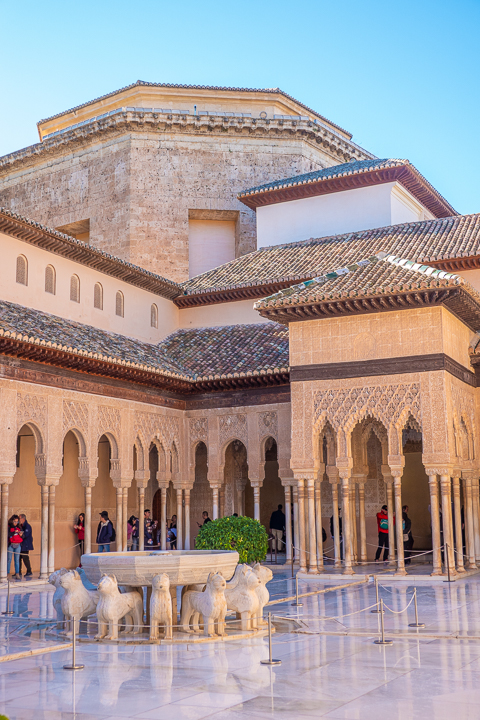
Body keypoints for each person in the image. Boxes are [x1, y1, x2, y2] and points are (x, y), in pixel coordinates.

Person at [7, 515, 23, 579]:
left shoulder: (19, 527)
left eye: (17, 521)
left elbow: (23, 536)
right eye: (14, 521)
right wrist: (14, 532)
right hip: (11, 545)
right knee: (9, 560)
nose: (16, 523)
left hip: (18, 545)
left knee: (17, 560)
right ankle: (7, 573)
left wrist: (21, 535)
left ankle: (17, 573)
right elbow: (7, 534)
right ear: (12, 521)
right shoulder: (9, 527)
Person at [19, 513, 33, 578]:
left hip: (25, 545)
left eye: (19, 519)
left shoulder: (27, 526)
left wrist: (22, 535)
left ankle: (29, 571)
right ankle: (18, 572)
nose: (19, 520)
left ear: (23, 519)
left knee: (25, 558)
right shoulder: (21, 526)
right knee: (19, 558)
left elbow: (26, 535)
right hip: (21, 545)